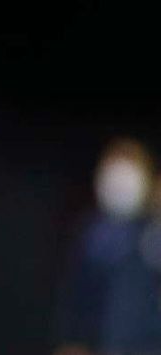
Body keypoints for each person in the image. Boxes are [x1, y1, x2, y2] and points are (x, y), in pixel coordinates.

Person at [54, 138, 161, 355]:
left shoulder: (153, 229)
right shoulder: (93, 234)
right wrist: (72, 341)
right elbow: (78, 298)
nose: (120, 184)